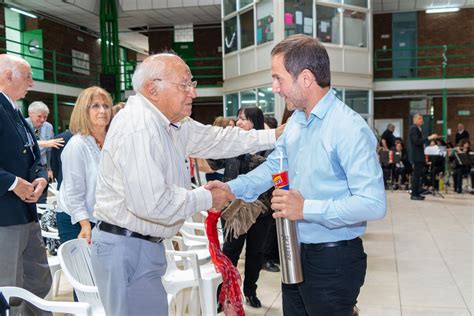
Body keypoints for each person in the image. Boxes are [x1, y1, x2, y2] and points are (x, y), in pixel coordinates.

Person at [90, 52, 283, 316]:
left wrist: (274, 135)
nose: (192, 92)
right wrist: (207, 198)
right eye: (184, 85)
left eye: (191, 83)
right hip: (125, 248)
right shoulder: (140, 127)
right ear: (152, 89)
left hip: (142, 245)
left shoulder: (170, 123)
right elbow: (153, 203)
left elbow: (218, 140)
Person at [207, 34, 386, 316]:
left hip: (333, 259)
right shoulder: (296, 125)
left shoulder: (348, 128)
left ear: (305, 78)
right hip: (293, 251)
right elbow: (272, 169)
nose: (274, 88)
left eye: (279, 78)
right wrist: (231, 189)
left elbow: (373, 203)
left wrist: (306, 209)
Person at [0, 54, 52, 315]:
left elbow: (33, 155)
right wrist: (11, 183)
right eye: (28, 76)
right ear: (9, 76)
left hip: (27, 213)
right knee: (8, 287)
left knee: (38, 280)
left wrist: (40, 176)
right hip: (5, 216)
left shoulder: (16, 112)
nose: (32, 83)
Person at [208, 107, 274, 308]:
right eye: (237, 119)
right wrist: (218, 143)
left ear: (254, 122)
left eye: (242, 119)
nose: (237, 123)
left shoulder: (269, 146)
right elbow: (213, 163)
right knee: (230, 252)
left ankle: (250, 291)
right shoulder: (232, 143)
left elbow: (269, 173)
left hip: (260, 210)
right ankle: (224, 294)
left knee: (256, 253)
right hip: (233, 209)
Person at [56, 86, 113, 245]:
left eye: (106, 106)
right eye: (95, 106)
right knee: (85, 269)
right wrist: (85, 223)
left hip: (105, 219)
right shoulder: (77, 145)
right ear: (83, 111)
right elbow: (73, 191)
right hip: (78, 221)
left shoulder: (112, 142)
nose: (102, 110)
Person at [25, 101, 65, 202]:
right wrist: (45, 143)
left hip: (42, 167)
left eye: (45, 117)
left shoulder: (48, 127)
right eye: (39, 116)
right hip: (27, 167)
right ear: (30, 114)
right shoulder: (23, 125)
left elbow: (49, 150)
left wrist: (49, 169)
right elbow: (25, 143)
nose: (42, 120)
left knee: (42, 196)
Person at [408, 113, 438, 200]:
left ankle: (417, 192)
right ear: (415, 120)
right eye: (420, 119)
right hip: (416, 156)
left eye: (422, 118)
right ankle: (414, 194)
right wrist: (429, 138)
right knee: (416, 175)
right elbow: (416, 141)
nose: (422, 120)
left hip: (419, 155)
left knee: (419, 174)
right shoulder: (414, 128)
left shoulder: (418, 129)